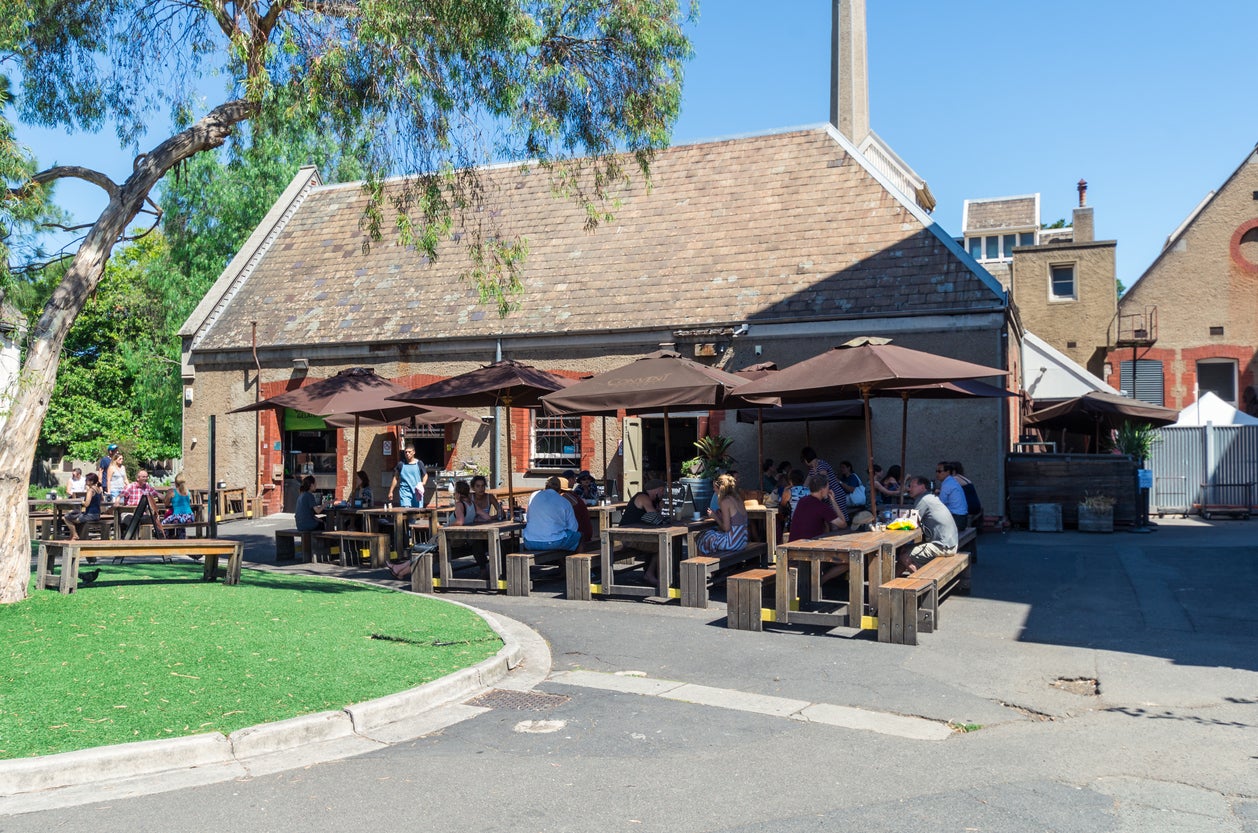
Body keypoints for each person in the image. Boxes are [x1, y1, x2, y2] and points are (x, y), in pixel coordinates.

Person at [389, 480, 472, 581]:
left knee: (422, 550)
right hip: (460, 540)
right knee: (423, 550)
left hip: (450, 539)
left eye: (454, 492)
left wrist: (445, 527)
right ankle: (399, 570)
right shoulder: (471, 504)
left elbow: (460, 522)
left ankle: (400, 570)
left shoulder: (460, 505)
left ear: (458, 493)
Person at [899, 475, 958, 576]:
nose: (909, 489)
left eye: (912, 486)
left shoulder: (924, 500)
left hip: (943, 546)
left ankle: (922, 581)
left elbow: (911, 523)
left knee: (905, 555)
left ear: (922, 487)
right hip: (949, 542)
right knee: (904, 550)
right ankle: (889, 581)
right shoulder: (929, 497)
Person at [621, 479, 669, 585]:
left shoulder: (650, 500)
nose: (663, 494)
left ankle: (655, 573)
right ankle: (652, 575)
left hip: (637, 535)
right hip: (629, 537)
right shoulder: (643, 497)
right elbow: (655, 518)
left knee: (663, 543)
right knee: (661, 546)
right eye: (662, 491)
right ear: (658, 490)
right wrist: (660, 511)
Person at [522, 476, 581, 553]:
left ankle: (560, 562)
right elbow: (574, 527)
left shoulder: (534, 496)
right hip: (554, 542)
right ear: (559, 490)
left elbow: (528, 517)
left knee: (560, 538)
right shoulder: (564, 502)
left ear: (546, 486)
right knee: (580, 536)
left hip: (529, 542)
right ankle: (574, 564)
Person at [696, 474, 748, 555]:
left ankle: (702, 565)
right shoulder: (738, 499)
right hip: (743, 541)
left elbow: (726, 528)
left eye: (714, 487)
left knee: (702, 537)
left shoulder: (724, 501)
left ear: (720, 488)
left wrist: (715, 517)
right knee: (710, 535)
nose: (713, 489)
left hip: (733, 543)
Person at [792, 474, 849, 543]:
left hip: (793, 544)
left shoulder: (802, 501)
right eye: (828, 487)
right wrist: (833, 501)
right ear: (822, 490)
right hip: (808, 548)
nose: (829, 490)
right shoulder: (822, 507)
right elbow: (843, 524)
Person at [802, 447, 847, 521]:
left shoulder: (821, 465)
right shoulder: (812, 469)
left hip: (835, 495)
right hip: (827, 497)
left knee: (837, 521)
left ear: (806, 458)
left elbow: (822, 481)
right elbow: (805, 485)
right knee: (832, 521)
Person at [118, 469, 165, 538]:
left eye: (146, 477)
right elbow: (120, 495)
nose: (145, 478)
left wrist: (161, 496)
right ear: (138, 478)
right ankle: (131, 540)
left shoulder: (147, 487)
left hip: (142, 514)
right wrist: (117, 501)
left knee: (155, 520)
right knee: (133, 521)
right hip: (129, 513)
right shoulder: (131, 486)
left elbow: (157, 494)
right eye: (143, 477)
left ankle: (160, 538)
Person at [66, 472, 104, 542]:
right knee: (76, 516)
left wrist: (81, 501)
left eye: (87, 480)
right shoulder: (99, 490)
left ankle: (75, 535)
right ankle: (75, 536)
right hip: (97, 515)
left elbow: (86, 504)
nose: (85, 481)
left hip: (89, 515)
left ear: (91, 481)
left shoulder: (91, 490)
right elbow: (102, 500)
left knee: (67, 517)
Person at [559, 473, 594, 545]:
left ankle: (578, 555)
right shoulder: (573, 495)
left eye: (588, 479)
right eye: (584, 479)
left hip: (582, 535)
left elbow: (572, 527)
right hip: (586, 532)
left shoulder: (563, 498)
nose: (587, 481)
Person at [935, 461, 969, 531]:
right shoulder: (952, 481)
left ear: (947, 472)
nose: (937, 474)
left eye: (939, 471)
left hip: (957, 520)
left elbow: (940, 504)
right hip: (962, 519)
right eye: (936, 471)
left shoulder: (947, 484)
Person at [161, 474, 196, 539]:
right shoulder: (187, 492)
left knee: (163, 523)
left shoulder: (171, 492)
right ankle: (181, 539)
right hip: (190, 516)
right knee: (180, 526)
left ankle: (167, 538)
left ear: (175, 482)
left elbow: (166, 504)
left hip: (178, 516)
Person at [950, 461, 983, 527]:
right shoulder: (963, 478)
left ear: (953, 471)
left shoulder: (955, 479)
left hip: (970, 508)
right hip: (975, 506)